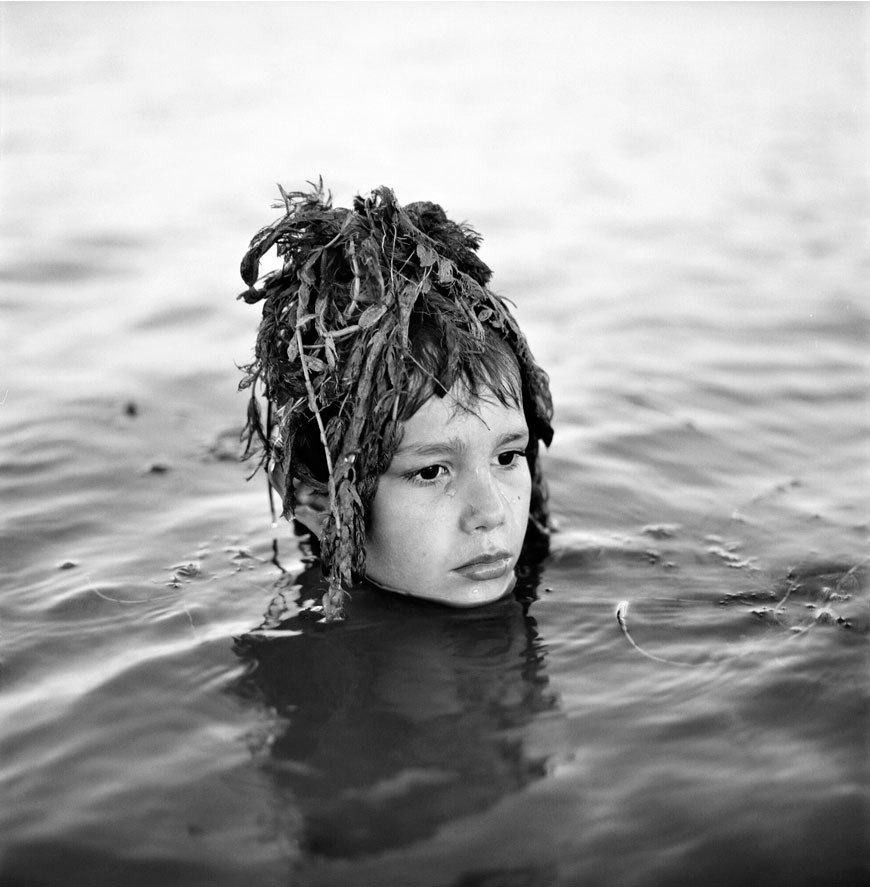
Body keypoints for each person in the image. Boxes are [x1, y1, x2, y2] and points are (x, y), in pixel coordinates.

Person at [238, 180, 553, 620]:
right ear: (316, 503)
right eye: (430, 471)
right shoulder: (303, 656)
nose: (491, 513)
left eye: (506, 457)